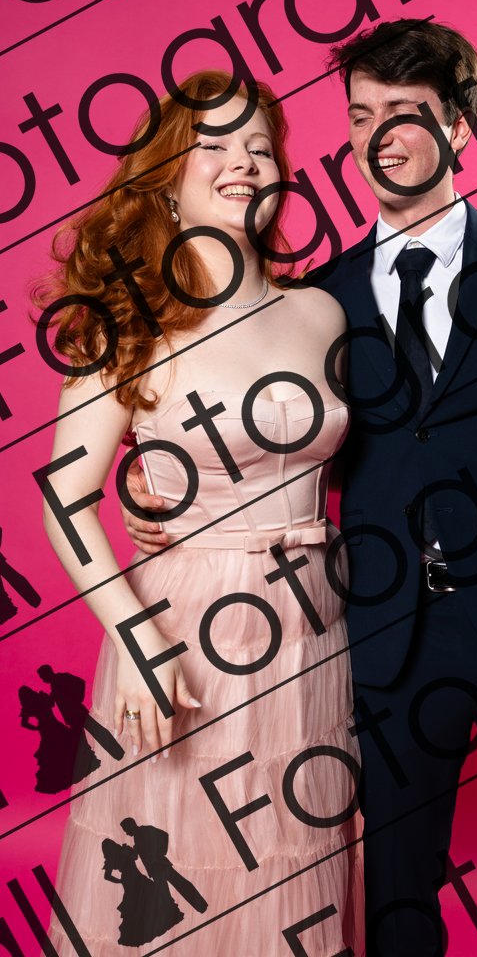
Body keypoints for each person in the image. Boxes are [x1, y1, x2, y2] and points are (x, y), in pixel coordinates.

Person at [125, 19, 477, 956]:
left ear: (457, 125)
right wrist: (161, 489)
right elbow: (277, 441)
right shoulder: (322, 301)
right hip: (383, 641)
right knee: (394, 908)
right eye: (361, 116)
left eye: (403, 113)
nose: (379, 138)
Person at [39, 69, 362, 955]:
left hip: (314, 622)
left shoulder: (322, 311)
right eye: (213, 146)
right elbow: (64, 499)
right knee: (181, 861)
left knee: (294, 858)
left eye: (260, 146)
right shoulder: (129, 319)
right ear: (167, 180)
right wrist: (137, 640)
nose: (243, 163)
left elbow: (340, 462)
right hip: (185, 632)